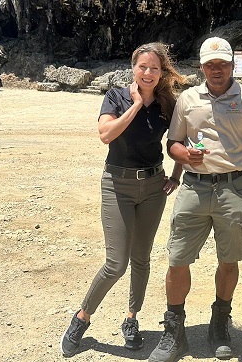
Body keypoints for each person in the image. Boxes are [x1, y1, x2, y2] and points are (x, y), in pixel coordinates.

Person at [148, 37, 242, 362]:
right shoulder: (188, 99)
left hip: (235, 188)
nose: (216, 70)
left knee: (229, 260)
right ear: (201, 67)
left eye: (223, 64)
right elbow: (173, 143)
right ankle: (174, 333)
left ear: (233, 65)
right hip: (194, 188)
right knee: (177, 259)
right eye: (210, 64)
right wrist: (184, 155)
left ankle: (219, 324)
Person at [61, 42, 185, 358]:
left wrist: (177, 173)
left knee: (142, 258)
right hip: (117, 184)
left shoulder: (167, 102)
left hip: (154, 186)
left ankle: (131, 319)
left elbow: (179, 138)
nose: (148, 73)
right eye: (142, 67)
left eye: (154, 68)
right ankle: (82, 317)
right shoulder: (116, 96)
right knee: (116, 263)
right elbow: (106, 134)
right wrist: (135, 104)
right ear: (133, 68)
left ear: (162, 73)